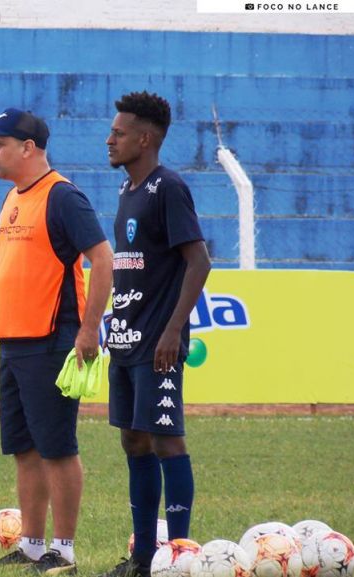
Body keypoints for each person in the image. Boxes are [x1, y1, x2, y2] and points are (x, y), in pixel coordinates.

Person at [0, 108, 113, 575]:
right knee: (25, 450)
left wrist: (89, 329)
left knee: (57, 448)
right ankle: (31, 546)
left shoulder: (63, 197)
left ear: (28, 148)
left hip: (51, 340)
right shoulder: (12, 198)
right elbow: (5, 273)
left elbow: (103, 260)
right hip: (11, 342)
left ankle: (63, 550)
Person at [98, 92, 211, 577]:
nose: (110, 140)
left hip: (157, 345)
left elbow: (199, 262)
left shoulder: (169, 188)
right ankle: (143, 558)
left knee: (167, 442)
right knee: (133, 442)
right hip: (125, 342)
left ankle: (180, 556)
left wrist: (172, 331)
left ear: (145, 139)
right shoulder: (127, 192)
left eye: (119, 133)